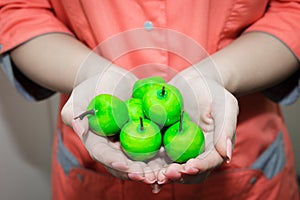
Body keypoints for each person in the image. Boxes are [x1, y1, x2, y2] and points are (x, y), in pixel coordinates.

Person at [0, 1, 299, 199]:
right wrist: (90, 73)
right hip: (89, 171)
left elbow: (292, 10)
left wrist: (220, 74)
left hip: (246, 161)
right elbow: (20, 10)